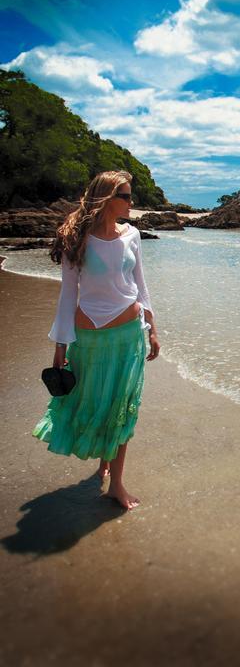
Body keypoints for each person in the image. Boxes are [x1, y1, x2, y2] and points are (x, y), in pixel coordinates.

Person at [33, 170, 160, 510]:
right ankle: (103, 461)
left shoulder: (131, 235)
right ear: (107, 198)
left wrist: (153, 327)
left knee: (121, 408)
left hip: (128, 336)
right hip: (88, 340)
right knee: (94, 403)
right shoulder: (77, 239)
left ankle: (115, 483)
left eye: (131, 196)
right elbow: (66, 295)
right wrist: (60, 346)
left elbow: (140, 284)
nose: (132, 203)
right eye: (126, 196)